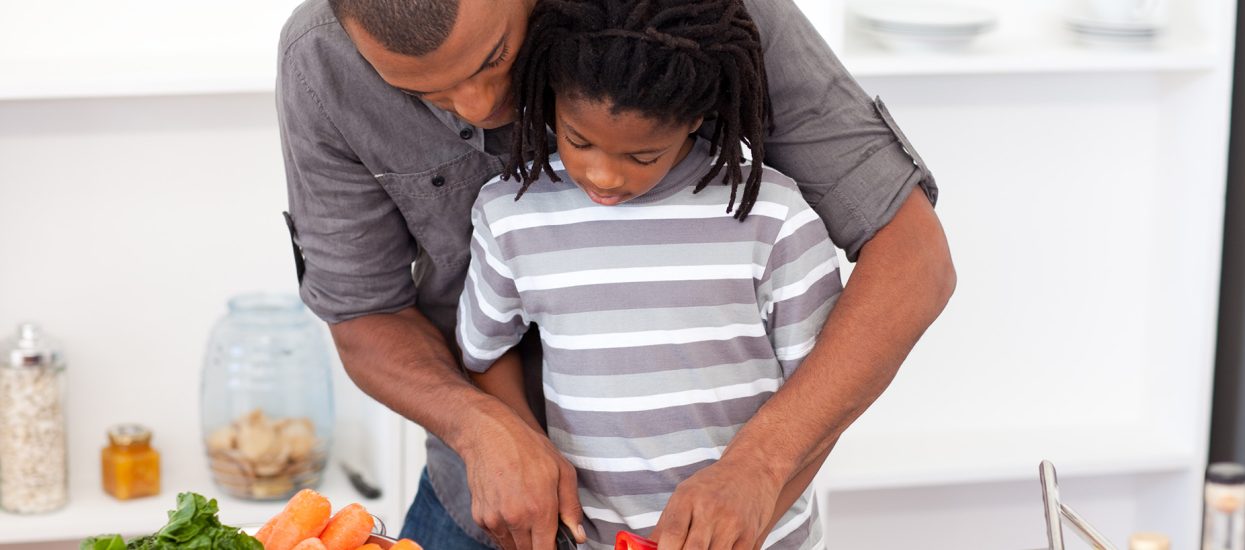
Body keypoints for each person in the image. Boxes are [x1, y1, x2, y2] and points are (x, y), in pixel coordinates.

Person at [276, 0, 955, 548]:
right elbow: (364, 315)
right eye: (427, 94)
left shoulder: (705, 10)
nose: (481, 107)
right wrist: (479, 426)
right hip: (484, 507)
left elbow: (914, 258)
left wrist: (759, 466)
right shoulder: (320, 63)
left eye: (495, 58)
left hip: (721, 516)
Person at [457, 1, 838, 548]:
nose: (603, 175)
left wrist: (754, 508)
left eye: (642, 156)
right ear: (549, 98)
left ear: (695, 118)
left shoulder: (772, 218)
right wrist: (523, 442)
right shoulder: (513, 215)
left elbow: (823, 400)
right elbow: (484, 354)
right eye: (578, 139)